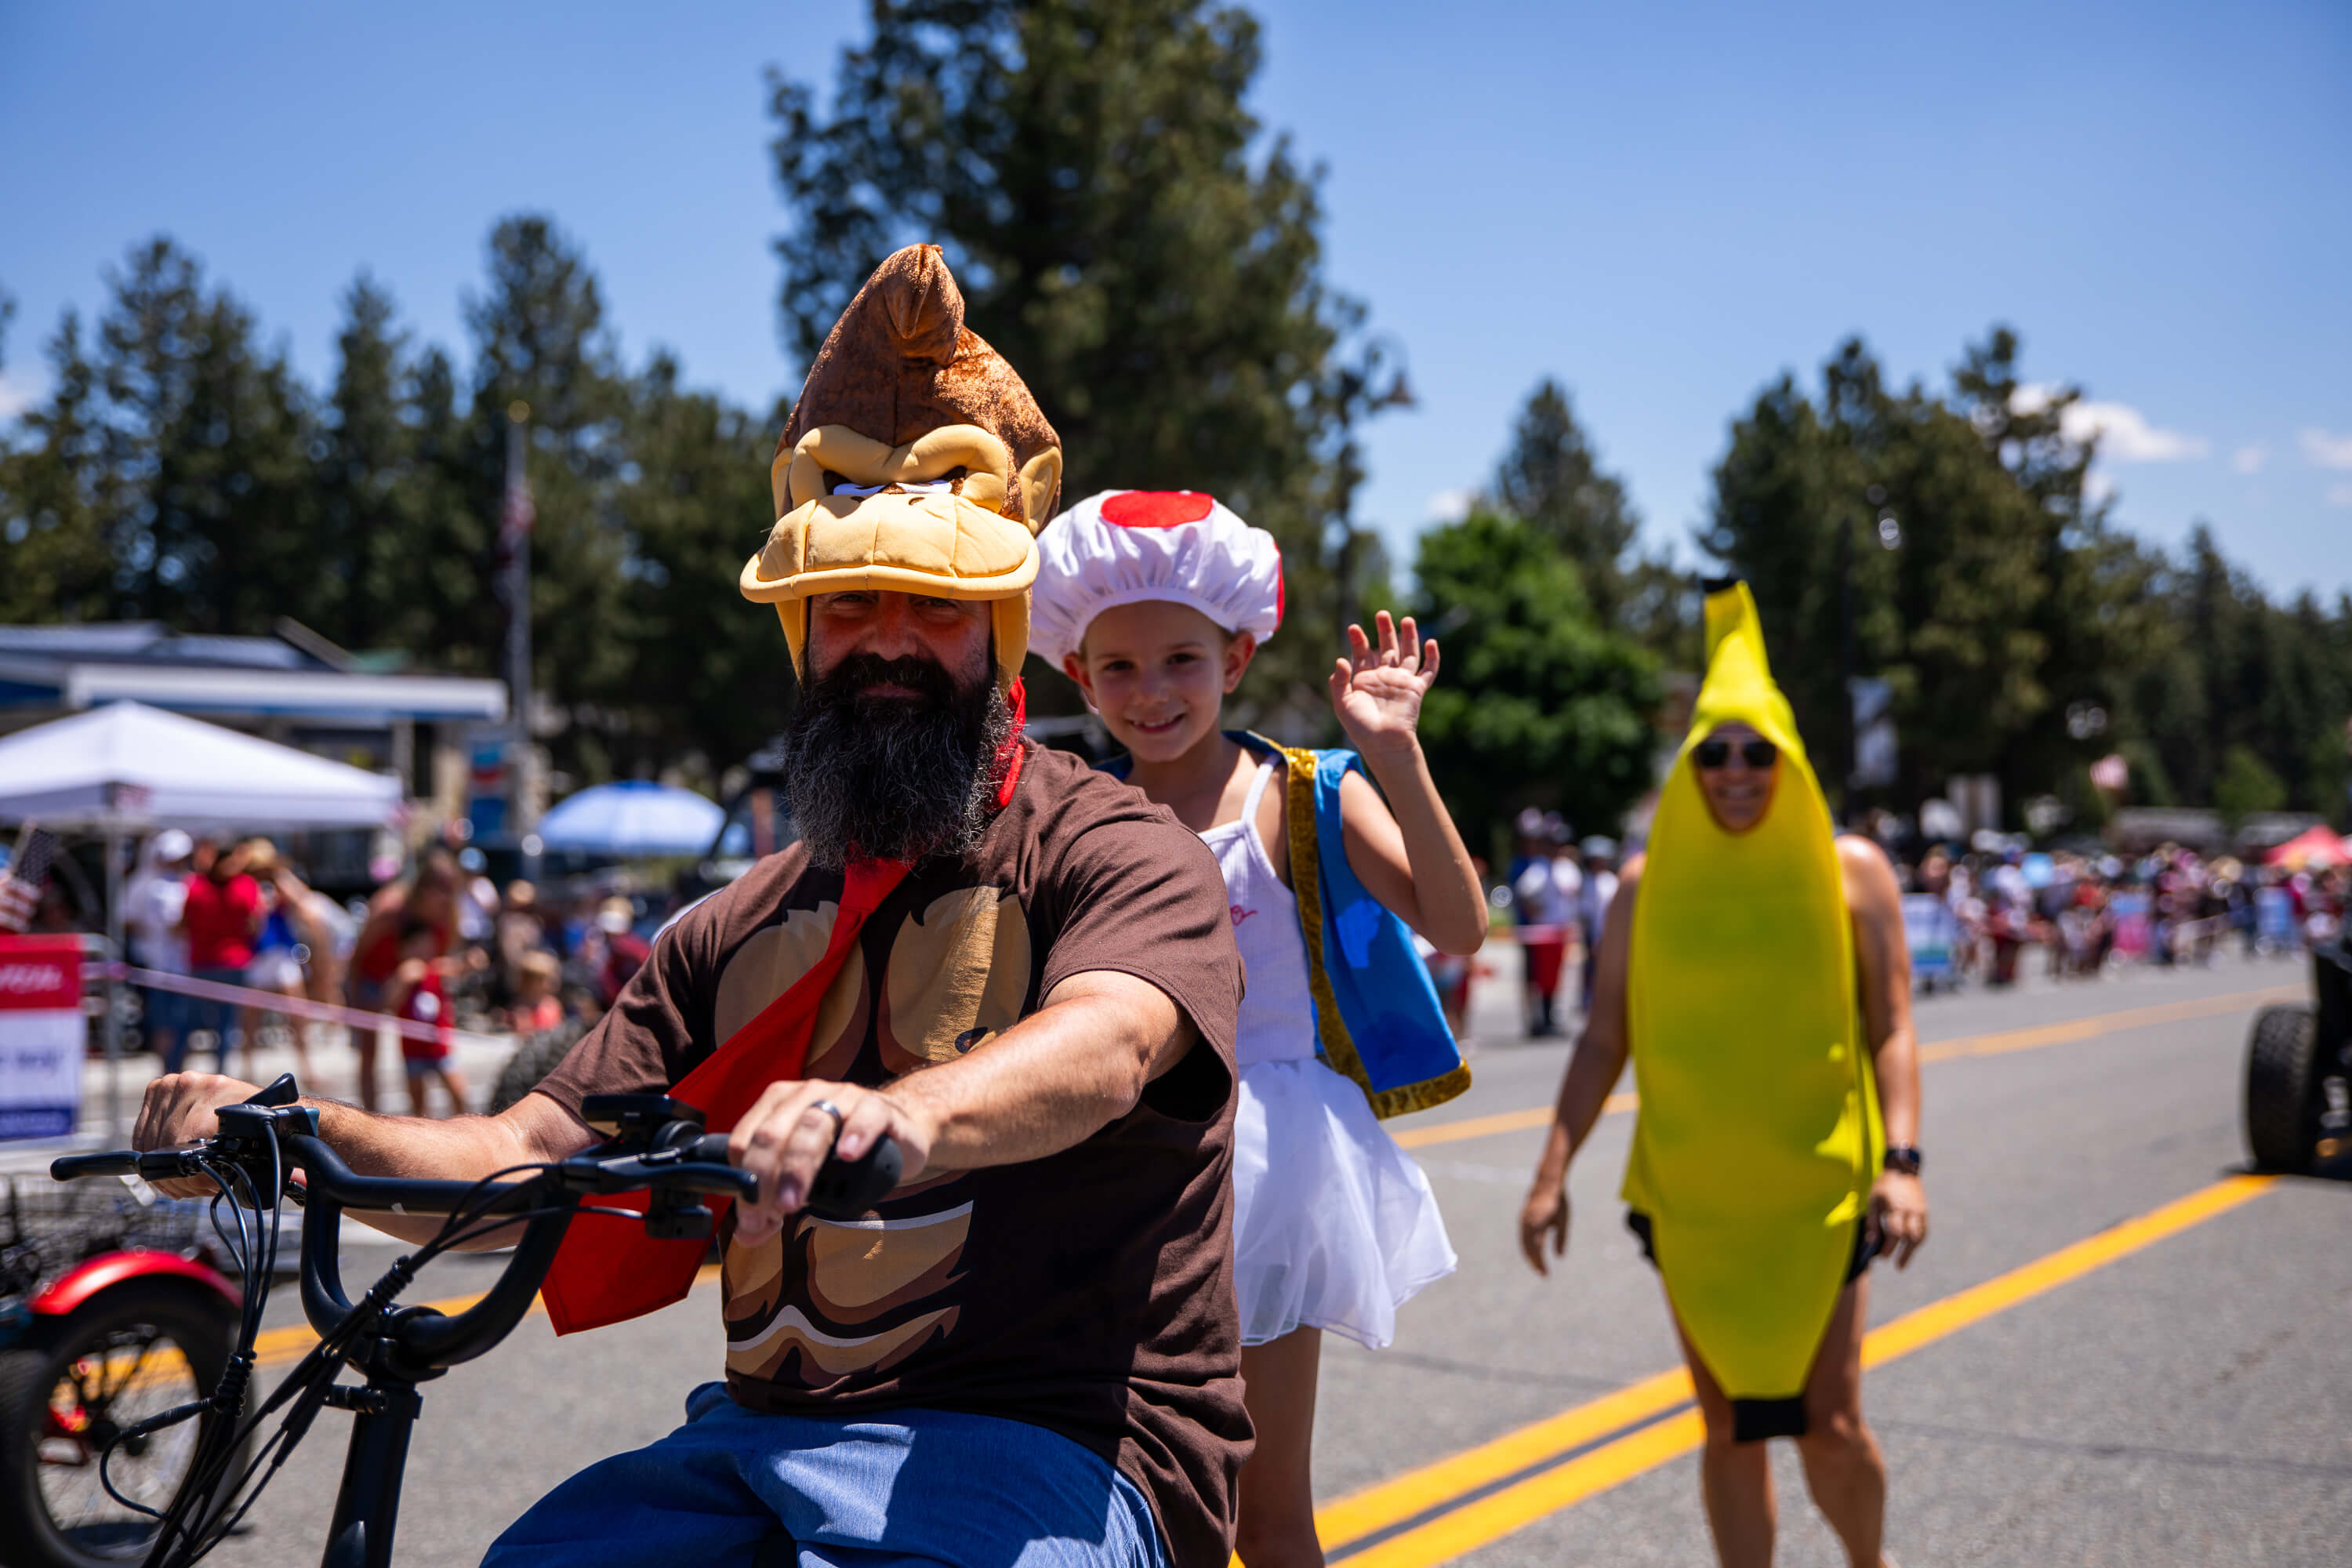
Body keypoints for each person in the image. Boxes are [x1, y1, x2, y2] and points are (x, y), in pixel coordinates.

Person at [133, 245, 1249, 1568]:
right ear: (801, 634)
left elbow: (1114, 1039)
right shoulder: (732, 927)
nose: (885, 639)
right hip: (758, 1441)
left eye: (931, 606)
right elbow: (521, 1155)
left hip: (1052, 1446)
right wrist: (292, 1129)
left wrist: (896, 1114)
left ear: (999, 626)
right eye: (846, 606)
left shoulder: (1112, 844)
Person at [1032, 488, 1483, 1568]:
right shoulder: (1073, 812)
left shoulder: (1300, 793)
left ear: (1236, 658)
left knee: (1266, 1513)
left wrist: (1395, 756)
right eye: (1121, 667)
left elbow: (1460, 924)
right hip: (1116, 1165)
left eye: (1181, 659)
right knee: (1133, 1500)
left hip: (1270, 1174)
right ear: (1078, 676)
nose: (1152, 692)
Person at [1518, 580, 1927, 1568]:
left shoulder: (1855, 870)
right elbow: (1602, 1036)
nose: (1736, 772)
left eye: (1757, 751)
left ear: (1787, 756)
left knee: (1828, 1420)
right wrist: (1549, 1173)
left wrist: (1904, 1158)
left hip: (1823, 1194)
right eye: (1714, 752)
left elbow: (1894, 1028)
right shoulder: (1642, 886)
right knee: (1732, 1425)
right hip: (1694, 1201)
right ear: (1689, 764)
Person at [346, 847, 462, 1111]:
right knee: (368, 1053)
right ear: (424, 888)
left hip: (412, 982)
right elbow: (358, 955)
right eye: (441, 890)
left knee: (421, 1050)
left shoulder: (449, 913)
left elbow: (443, 953)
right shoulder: (390, 908)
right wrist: (353, 997)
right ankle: (369, 1117)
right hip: (371, 980)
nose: (446, 897)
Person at [178, 837, 263, 1076]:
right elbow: (256, 923)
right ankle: (219, 1075)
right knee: (223, 1025)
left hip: (207, 963)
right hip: (229, 963)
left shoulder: (196, 884)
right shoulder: (245, 884)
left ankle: (177, 1071)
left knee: (194, 1023)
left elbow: (183, 925)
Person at [384, 917, 470, 1117]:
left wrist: (469, 962)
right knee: (419, 1104)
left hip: (439, 1047)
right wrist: (402, 981)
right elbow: (388, 1003)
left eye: (427, 944)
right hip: (413, 1048)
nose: (424, 949)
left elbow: (458, 968)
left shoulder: (436, 969)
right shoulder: (404, 974)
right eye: (417, 945)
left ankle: (461, 1126)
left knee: (459, 1092)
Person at [124, 829, 194, 1069]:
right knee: (163, 1022)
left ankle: (178, 1070)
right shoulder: (145, 885)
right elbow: (130, 922)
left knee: (183, 1023)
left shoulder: (189, 883)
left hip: (184, 966)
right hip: (157, 967)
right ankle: (167, 1071)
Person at [1508, 810, 1577, 1038]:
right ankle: (1538, 1019)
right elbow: (1524, 893)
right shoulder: (1538, 868)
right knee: (1538, 977)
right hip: (1542, 931)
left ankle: (1550, 1017)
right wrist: (1534, 910)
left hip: (1558, 931)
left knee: (1555, 977)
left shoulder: (1565, 868)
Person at [1573, 835, 1619, 1017]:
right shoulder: (1586, 882)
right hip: (1592, 931)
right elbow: (1585, 911)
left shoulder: (1611, 880)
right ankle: (1588, 998)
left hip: (1608, 930)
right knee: (1590, 966)